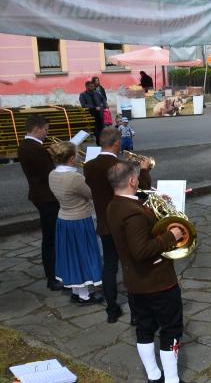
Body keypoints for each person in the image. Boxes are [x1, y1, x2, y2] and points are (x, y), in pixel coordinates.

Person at [106, 161, 186, 383]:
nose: (139, 181)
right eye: (138, 178)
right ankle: (171, 379)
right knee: (171, 329)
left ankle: (154, 376)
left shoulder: (115, 205)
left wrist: (153, 206)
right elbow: (141, 250)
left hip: (135, 283)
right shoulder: (133, 213)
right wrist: (172, 236)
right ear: (132, 180)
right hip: (158, 282)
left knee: (144, 328)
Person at [84, 127, 152, 323]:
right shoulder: (120, 166)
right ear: (116, 143)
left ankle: (112, 310)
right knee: (130, 267)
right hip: (125, 221)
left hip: (105, 223)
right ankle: (136, 314)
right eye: (120, 141)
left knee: (110, 266)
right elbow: (142, 190)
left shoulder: (88, 166)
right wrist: (144, 170)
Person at [47, 140, 104, 305]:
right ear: (71, 159)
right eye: (77, 155)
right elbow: (91, 194)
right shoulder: (75, 177)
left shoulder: (52, 174)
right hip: (80, 219)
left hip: (63, 218)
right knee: (83, 255)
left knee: (71, 255)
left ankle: (76, 290)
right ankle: (84, 295)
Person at [18, 115, 62, 291]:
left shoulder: (27, 145)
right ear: (36, 129)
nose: (47, 133)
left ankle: (53, 273)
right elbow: (50, 174)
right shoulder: (34, 148)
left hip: (41, 195)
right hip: (46, 197)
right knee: (50, 238)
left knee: (50, 236)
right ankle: (52, 277)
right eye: (45, 129)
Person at [79, 80, 104, 144]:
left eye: (93, 86)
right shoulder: (82, 95)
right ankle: (98, 143)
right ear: (87, 87)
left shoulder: (96, 93)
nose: (93, 87)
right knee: (95, 130)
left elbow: (102, 99)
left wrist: (103, 105)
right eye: (91, 86)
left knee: (102, 129)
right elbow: (83, 105)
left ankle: (101, 142)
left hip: (100, 114)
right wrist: (94, 107)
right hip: (91, 115)